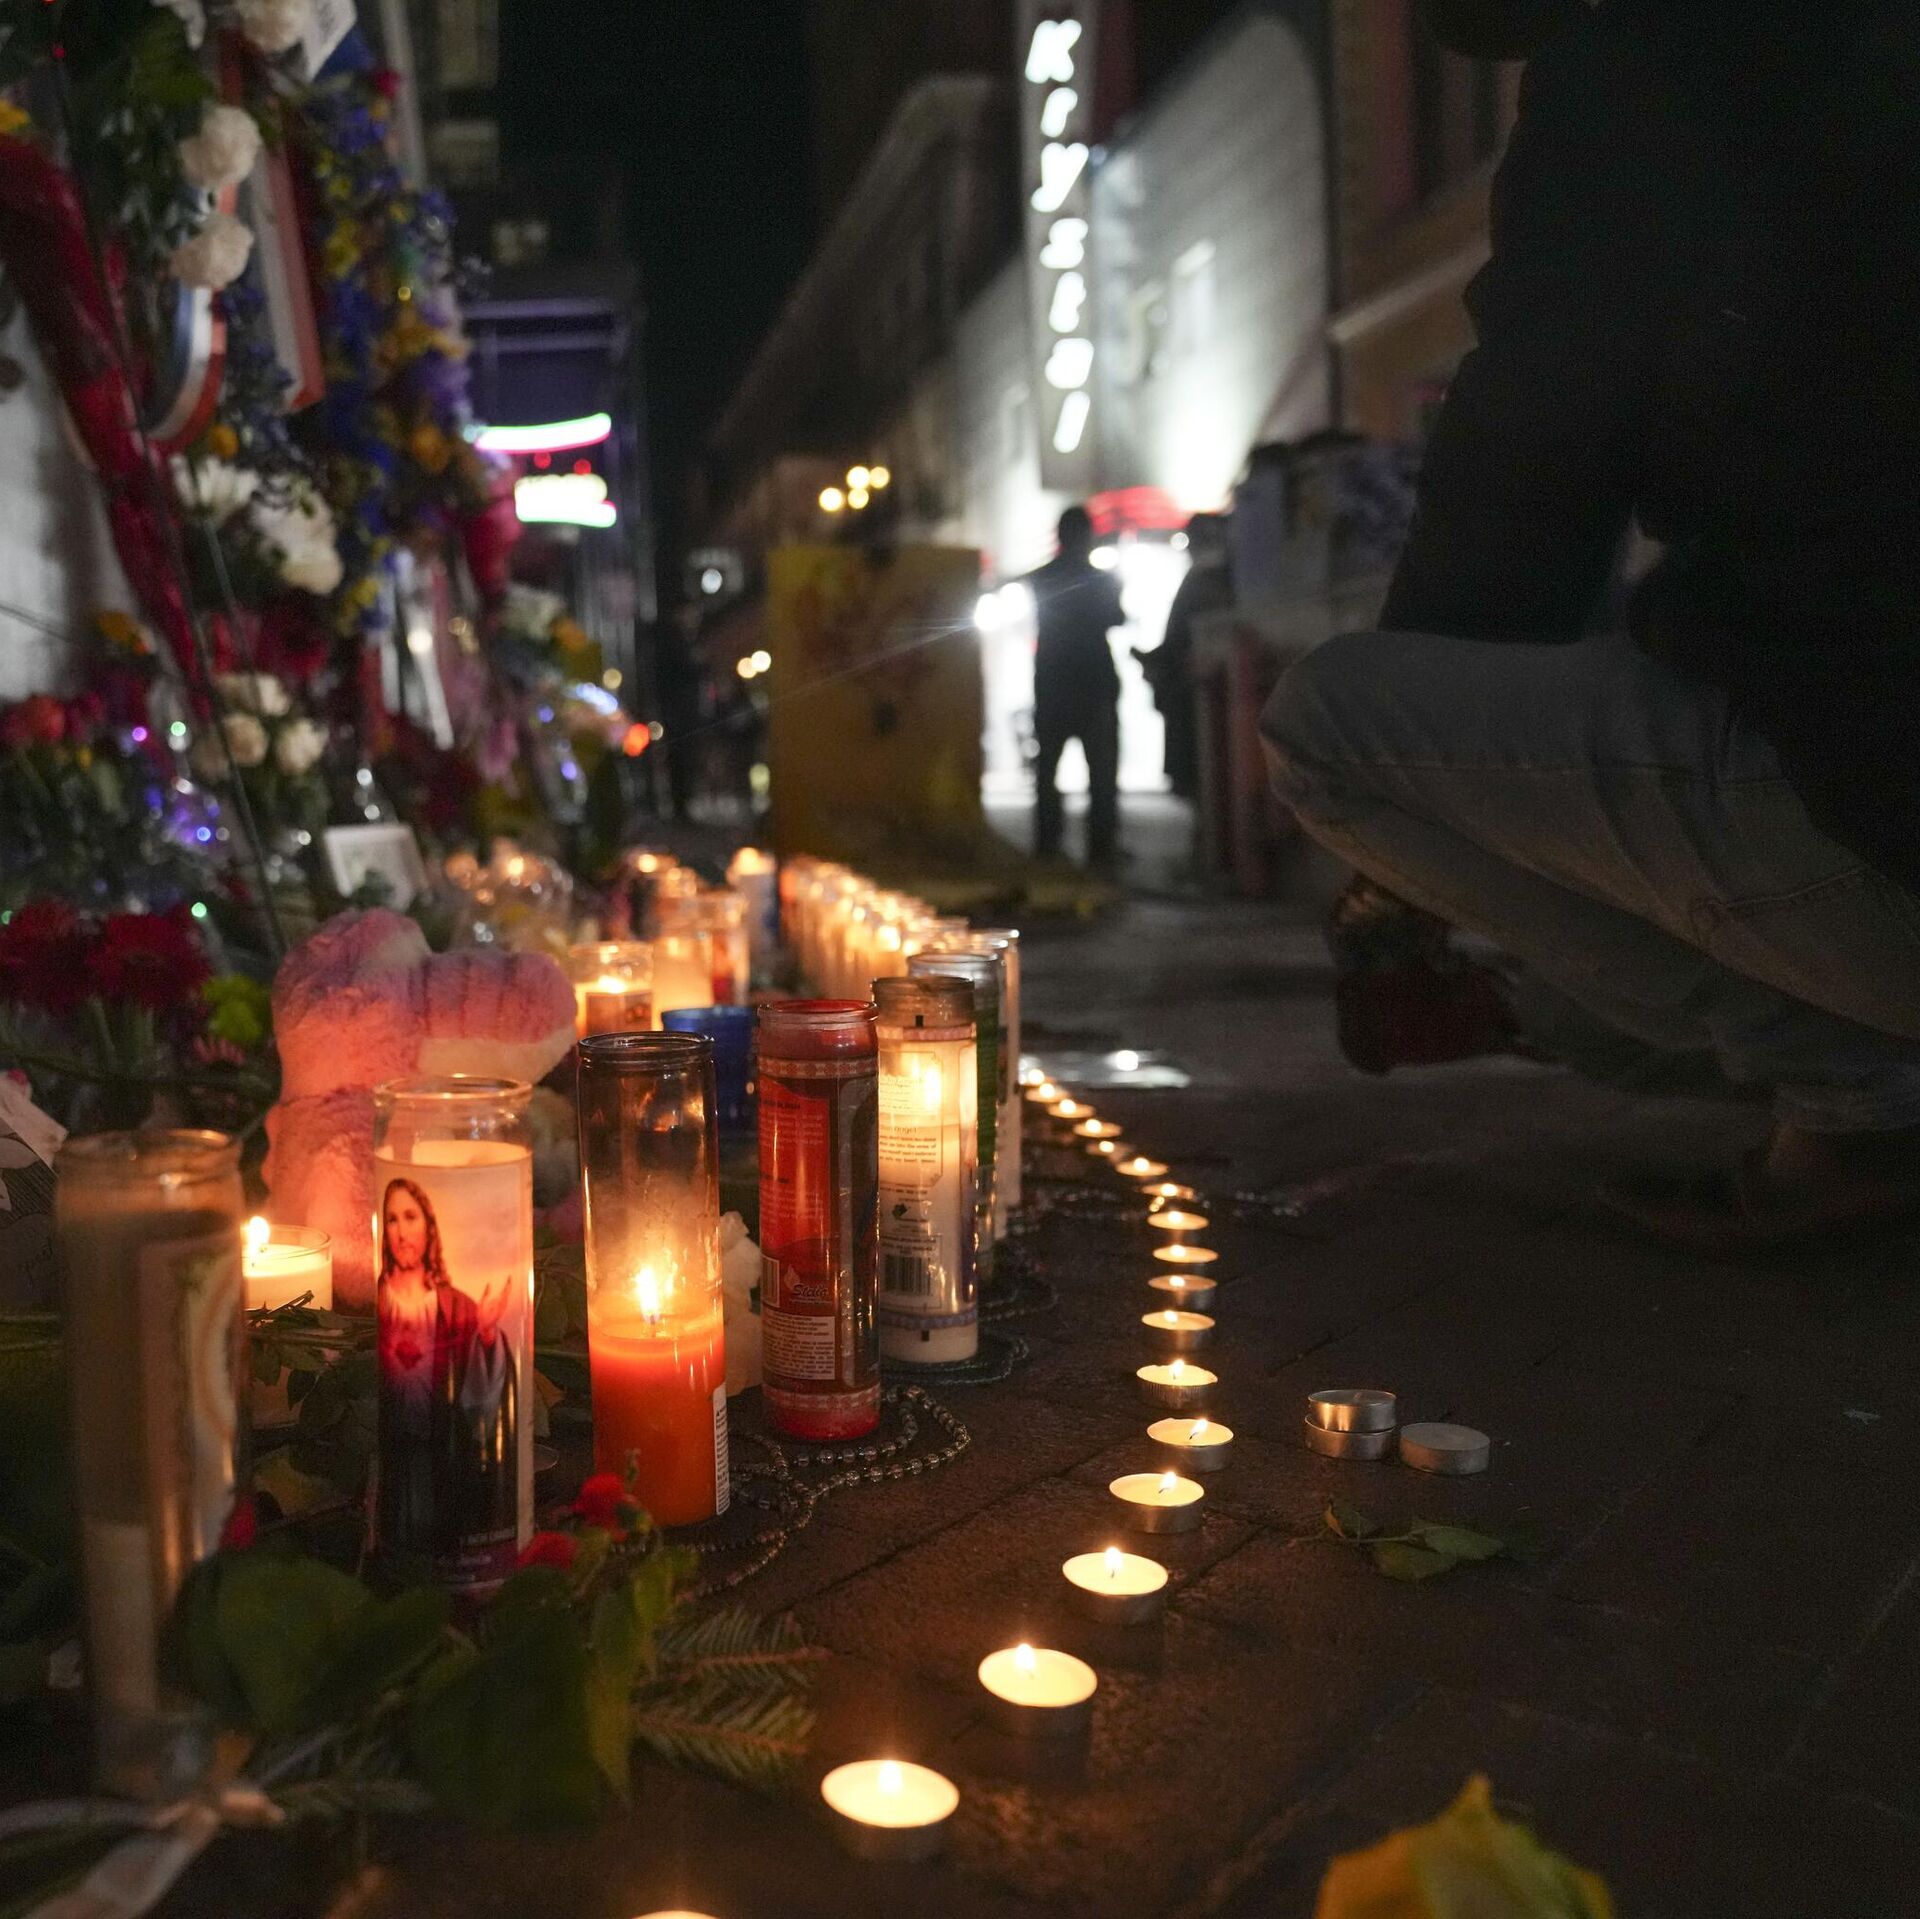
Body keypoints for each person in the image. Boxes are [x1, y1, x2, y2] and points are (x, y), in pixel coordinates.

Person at [1260, 0, 1920, 1250]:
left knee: (1328, 728)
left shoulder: (1660, 63)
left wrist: (1395, 883)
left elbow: (1526, 484)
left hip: (1883, 777)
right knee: (1574, 1004)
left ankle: (1865, 1115)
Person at [376, 1178, 515, 1556]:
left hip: (440, 1458)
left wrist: (485, 1333)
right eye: (392, 1219)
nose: (401, 1231)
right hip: (394, 1457)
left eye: (410, 1217)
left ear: (429, 1227)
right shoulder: (381, 1296)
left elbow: (482, 1399)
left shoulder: (456, 1307)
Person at [1028, 504, 1126, 869]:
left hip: (1054, 685)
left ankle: (1047, 844)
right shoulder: (1101, 580)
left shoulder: (1043, 579)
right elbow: (1115, 617)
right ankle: (1101, 846)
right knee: (1101, 772)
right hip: (1093, 684)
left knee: (1047, 770)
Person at [1136, 513, 1232, 802]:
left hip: (1205, 695)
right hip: (1195, 693)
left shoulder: (1207, 579)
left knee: (1208, 776)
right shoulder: (1203, 579)